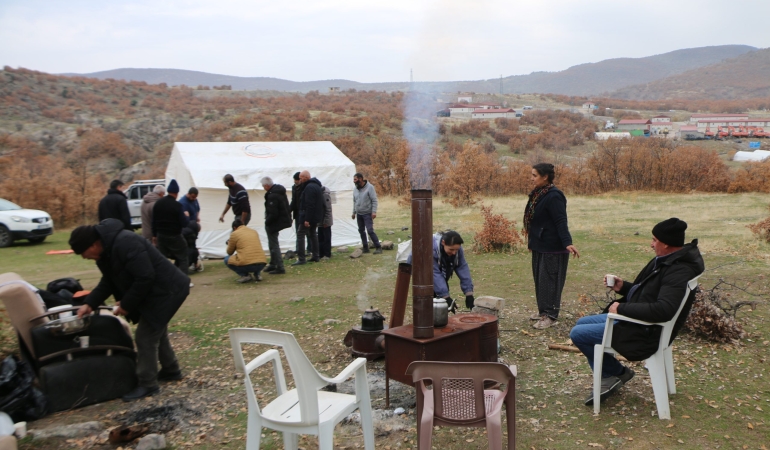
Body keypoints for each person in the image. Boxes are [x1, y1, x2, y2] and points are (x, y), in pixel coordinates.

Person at [570, 218, 704, 406]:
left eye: (655, 240)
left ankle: (614, 373)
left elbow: (664, 309)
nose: (651, 244)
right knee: (581, 323)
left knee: (578, 334)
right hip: (641, 323)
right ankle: (613, 373)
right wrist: (624, 287)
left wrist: (622, 308)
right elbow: (649, 294)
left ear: (666, 243)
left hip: (646, 332)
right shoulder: (668, 260)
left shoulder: (677, 270)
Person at [69, 218, 189, 402]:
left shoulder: (126, 242)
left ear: (93, 244)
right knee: (156, 328)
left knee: (145, 337)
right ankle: (171, 370)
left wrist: (126, 304)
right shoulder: (106, 252)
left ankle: (148, 383)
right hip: (157, 291)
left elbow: (145, 276)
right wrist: (89, 304)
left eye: (84, 254)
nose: (85, 258)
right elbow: (108, 281)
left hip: (169, 290)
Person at [524, 163, 580, 330]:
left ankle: (550, 315)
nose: (531, 178)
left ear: (545, 177)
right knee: (540, 281)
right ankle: (543, 311)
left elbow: (560, 220)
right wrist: (532, 241)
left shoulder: (554, 196)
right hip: (540, 244)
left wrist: (567, 242)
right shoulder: (538, 194)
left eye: (534, 175)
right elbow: (535, 221)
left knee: (550, 282)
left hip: (553, 247)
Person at [407, 231, 475, 311]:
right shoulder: (430, 248)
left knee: (441, 302)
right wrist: (446, 297)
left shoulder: (456, 248)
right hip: (421, 272)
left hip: (439, 272)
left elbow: (462, 267)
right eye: (451, 249)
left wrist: (469, 293)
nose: (454, 252)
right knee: (429, 303)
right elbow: (435, 273)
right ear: (443, 243)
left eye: (456, 250)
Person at [152, 179, 189, 274]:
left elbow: (153, 221)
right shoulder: (177, 205)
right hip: (174, 235)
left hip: (161, 235)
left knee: (162, 259)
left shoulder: (158, 203)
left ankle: (163, 279)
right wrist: (186, 216)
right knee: (183, 256)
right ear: (176, 193)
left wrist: (154, 235)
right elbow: (184, 224)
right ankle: (183, 278)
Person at [261, 176, 292, 275]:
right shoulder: (279, 192)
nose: (263, 188)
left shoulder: (272, 195)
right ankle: (273, 263)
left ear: (266, 185)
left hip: (274, 222)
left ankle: (279, 266)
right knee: (272, 244)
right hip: (280, 221)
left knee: (274, 245)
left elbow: (273, 213)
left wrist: (267, 221)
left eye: (263, 186)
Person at [292, 170, 323, 266]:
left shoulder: (309, 188)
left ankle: (301, 258)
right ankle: (316, 255)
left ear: (306, 177)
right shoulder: (316, 186)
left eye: (301, 178)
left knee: (300, 234)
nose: (300, 180)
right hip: (316, 215)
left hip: (308, 216)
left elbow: (310, 204)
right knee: (313, 234)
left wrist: (307, 219)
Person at [225, 218, 267, 283]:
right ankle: (257, 274)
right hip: (262, 263)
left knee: (227, 259)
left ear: (234, 228)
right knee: (255, 255)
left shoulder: (234, 234)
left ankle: (245, 275)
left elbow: (229, 252)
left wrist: (230, 244)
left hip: (247, 265)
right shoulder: (254, 231)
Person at [352, 173, 382, 254]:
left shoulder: (369, 187)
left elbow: (374, 200)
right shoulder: (355, 188)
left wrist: (374, 212)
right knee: (361, 230)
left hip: (367, 213)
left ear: (361, 179)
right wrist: (354, 212)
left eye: (355, 179)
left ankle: (378, 247)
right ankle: (365, 247)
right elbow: (354, 201)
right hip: (359, 214)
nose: (354, 181)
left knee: (370, 230)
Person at [178, 187, 202, 272]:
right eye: (192, 197)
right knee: (189, 247)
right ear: (188, 194)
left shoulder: (195, 200)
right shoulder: (183, 203)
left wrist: (197, 216)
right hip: (186, 229)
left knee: (194, 246)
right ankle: (186, 264)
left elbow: (197, 209)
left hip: (193, 228)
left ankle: (195, 264)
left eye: (195, 197)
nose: (194, 199)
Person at [289, 171, 311, 256]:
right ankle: (299, 249)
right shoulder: (294, 187)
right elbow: (293, 200)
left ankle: (310, 249)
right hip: (297, 213)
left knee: (308, 232)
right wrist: (289, 210)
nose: (295, 182)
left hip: (304, 212)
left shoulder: (305, 187)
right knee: (298, 232)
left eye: (297, 180)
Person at [319, 185, 333, 260]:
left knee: (326, 238)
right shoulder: (319, 194)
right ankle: (321, 253)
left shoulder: (325, 195)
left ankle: (327, 254)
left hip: (325, 221)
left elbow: (328, 209)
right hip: (320, 221)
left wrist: (326, 221)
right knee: (320, 238)